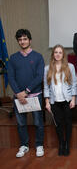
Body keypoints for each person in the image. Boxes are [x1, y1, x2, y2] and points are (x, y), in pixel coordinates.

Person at [8, 29, 45, 158]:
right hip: (18, 97)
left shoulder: (38, 56)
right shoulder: (13, 58)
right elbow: (11, 77)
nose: (22, 42)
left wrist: (26, 91)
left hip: (34, 96)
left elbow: (39, 76)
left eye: (25, 39)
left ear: (30, 40)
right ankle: (24, 145)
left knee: (38, 122)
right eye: (20, 40)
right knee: (21, 123)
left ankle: (39, 144)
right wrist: (18, 93)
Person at [44, 44, 77, 156]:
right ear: (53, 54)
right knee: (58, 124)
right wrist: (47, 102)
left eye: (60, 52)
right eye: (55, 52)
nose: (58, 54)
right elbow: (46, 86)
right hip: (54, 101)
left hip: (67, 100)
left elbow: (73, 84)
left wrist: (73, 99)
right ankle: (61, 144)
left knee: (68, 123)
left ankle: (67, 144)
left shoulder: (70, 67)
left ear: (63, 55)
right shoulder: (47, 68)